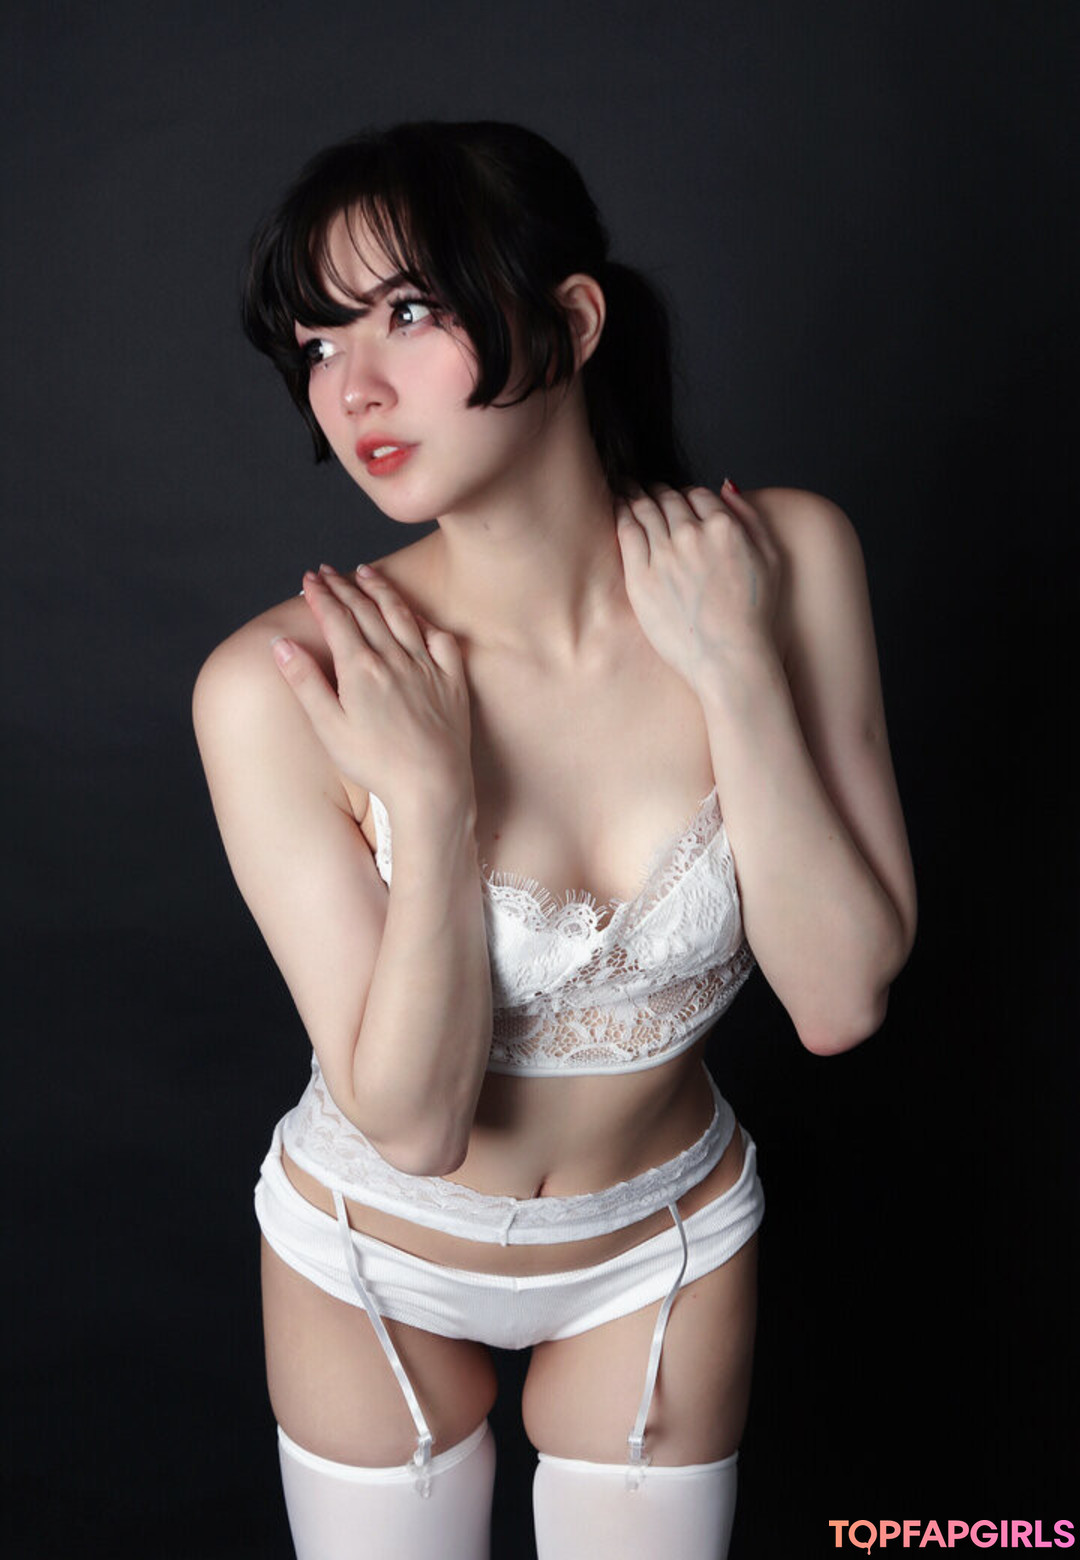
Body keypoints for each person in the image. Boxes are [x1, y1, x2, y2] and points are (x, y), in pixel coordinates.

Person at [193, 120, 916, 1560]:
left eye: (409, 313)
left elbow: (840, 1001)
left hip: (666, 1248)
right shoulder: (283, 685)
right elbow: (414, 1124)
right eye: (319, 342)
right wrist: (434, 800)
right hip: (371, 1262)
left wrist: (736, 671)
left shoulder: (784, 563)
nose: (354, 387)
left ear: (570, 321)